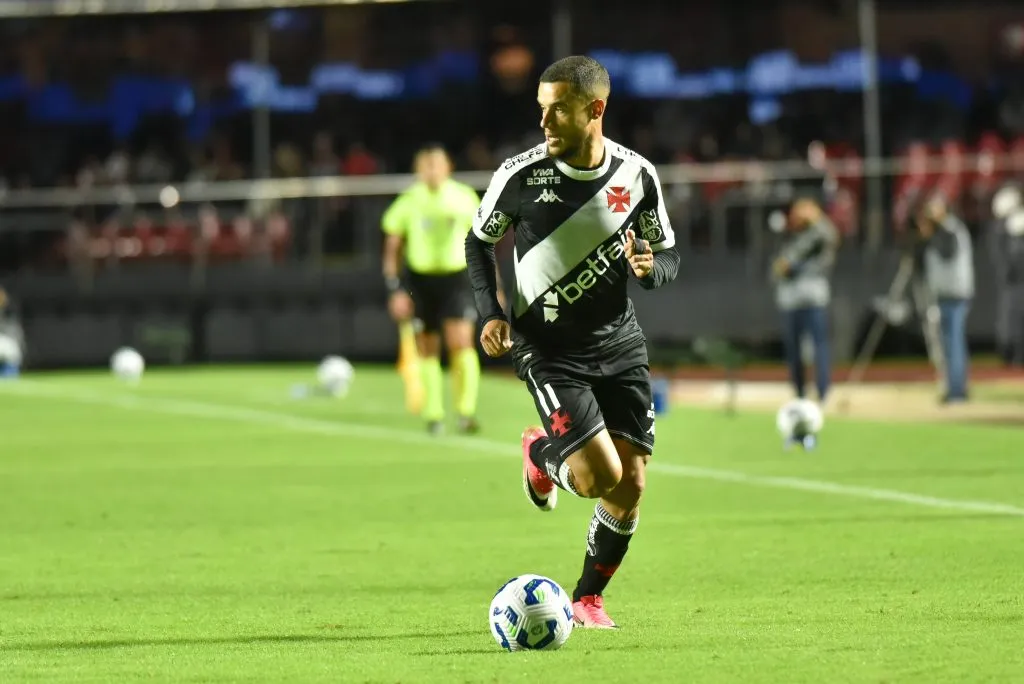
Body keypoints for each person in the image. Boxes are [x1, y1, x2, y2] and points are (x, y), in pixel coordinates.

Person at [464, 56, 680, 629]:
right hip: (548, 349)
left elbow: (668, 256)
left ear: (595, 109)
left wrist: (650, 269)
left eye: (558, 109)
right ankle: (541, 453)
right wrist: (491, 313)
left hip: (620, 342)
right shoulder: (520, 175)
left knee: (631, 484)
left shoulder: (637, 176)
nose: (545, 121)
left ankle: (587, 599)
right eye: (542, 108)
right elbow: (478, 241)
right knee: (595, 478)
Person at [381, 144, 501, 434]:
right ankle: (434, 414)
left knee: (461, 342)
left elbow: (482, 243)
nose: (432, 171)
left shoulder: (463, 197)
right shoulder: (409, 200)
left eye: (437, 164)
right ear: (418, 170)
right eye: (426, 165)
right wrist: (395, 288)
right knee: (427, 346)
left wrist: (493, 283)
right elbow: (393, 245)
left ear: (448, 167)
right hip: (420, 281)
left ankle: (465, 411)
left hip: (456, 278)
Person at [770, 197, 839, 403]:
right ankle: (799, 392)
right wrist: (783, 269)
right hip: (791, 300)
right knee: (794, 349)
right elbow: (777, 269)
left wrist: (817, 218)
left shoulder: (818, 235)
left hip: (814, 299)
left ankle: (823, 391)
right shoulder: (788, 239)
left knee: (819, 345)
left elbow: (830, 235)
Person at [914, 194, 974, 403]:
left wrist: (929, 235)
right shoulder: (942, 230)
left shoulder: (950, 229)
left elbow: (947, 252)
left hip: (955, 292)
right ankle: (955, 386)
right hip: (945, 293)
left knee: (953, 342)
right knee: (949, 343)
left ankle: (956, 390)